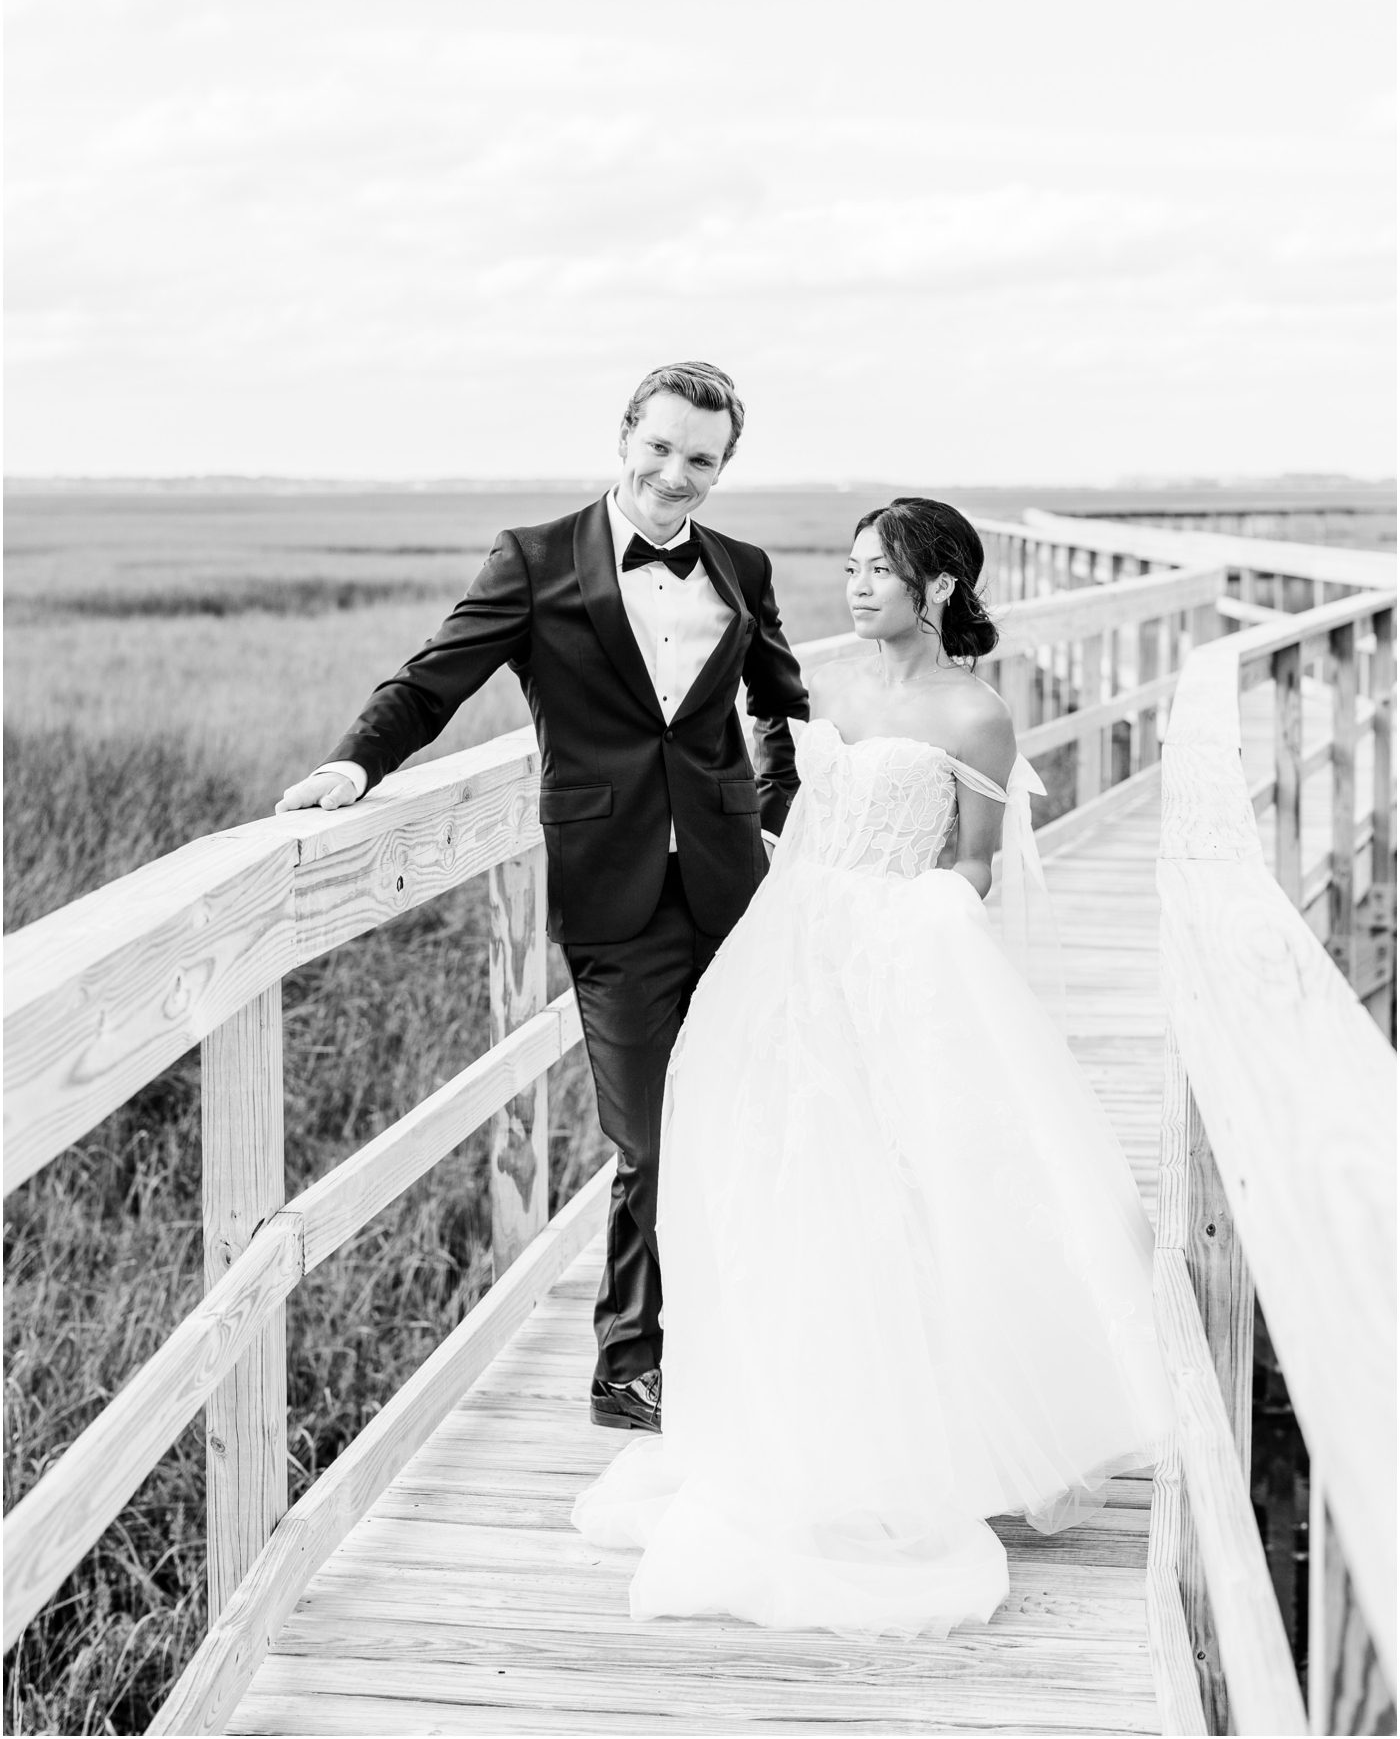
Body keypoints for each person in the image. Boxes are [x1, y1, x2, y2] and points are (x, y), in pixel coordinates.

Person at [572, 498, 1174, 1638]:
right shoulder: (828, 688)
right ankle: (796, 1431)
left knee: (899, 1191)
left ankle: (916, 1446)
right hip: (794, 949)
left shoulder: (975, 714)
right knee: (781, 1179)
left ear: (936, 587)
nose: (854, 588)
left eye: (877, 571)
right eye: (846, 567)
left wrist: (897, 938)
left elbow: (975, 870)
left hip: (895, 961)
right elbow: (787, 817)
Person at [276, 362, 809, 1433]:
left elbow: (781, 706)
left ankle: (726, 1334)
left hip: (732, 888)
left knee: (749, 1117)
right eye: (659, 449)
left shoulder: (741, 567)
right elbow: (432, 681)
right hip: (613, 896)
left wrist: (773, 813)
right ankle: (626, 1365)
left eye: (700, 461)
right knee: (650, 1138)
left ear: (722, 468)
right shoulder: (531, 561)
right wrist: (353, 766)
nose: (675, 475)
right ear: (625, 437)